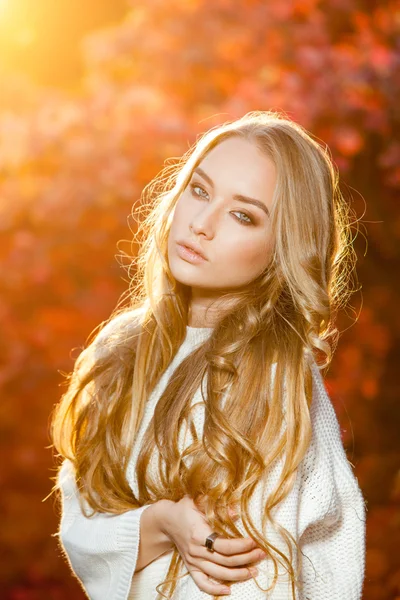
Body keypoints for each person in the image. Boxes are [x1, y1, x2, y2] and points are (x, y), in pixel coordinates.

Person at [49, 110, 366, 600]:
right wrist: (160, 523)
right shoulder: (121, 347)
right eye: (199, 190)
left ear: (283, 248)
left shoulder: (274, 375)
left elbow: (259, 579)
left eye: (243, 215)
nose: (202, 224)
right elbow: (80, 521)